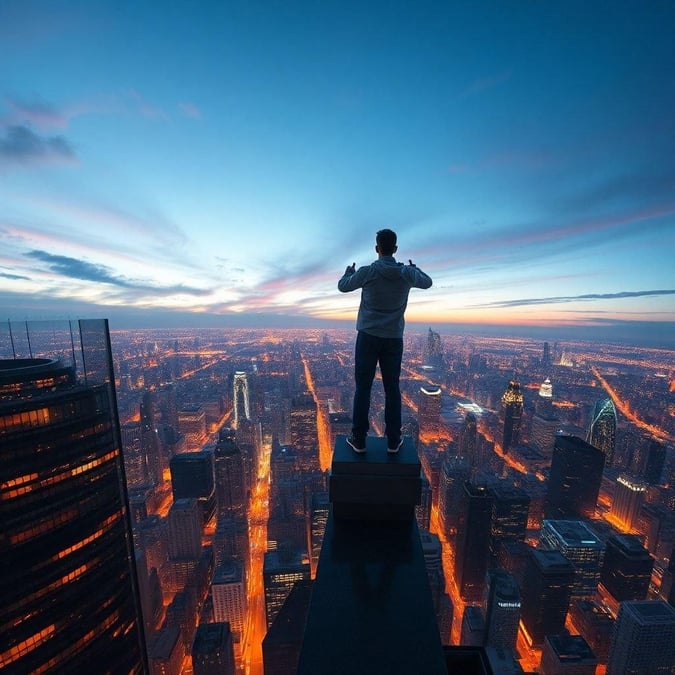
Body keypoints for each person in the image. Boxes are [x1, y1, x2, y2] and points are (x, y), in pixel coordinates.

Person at [338, 229, 432, 454]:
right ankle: (393, 441)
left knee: (363, 388)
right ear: (396, 249)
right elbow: (427, 282)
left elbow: (343, 286)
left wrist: (347, 272)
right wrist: (414, 268)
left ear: (377, 248)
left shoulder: (368, 271)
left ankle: (359, 439)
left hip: (368, 337)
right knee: (392, 389)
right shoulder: (405, 274)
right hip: (393, 339)